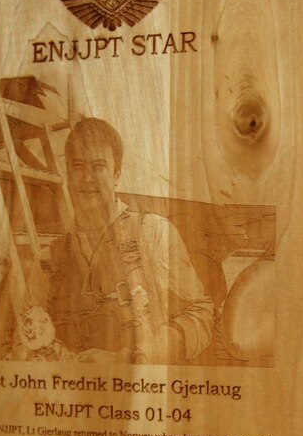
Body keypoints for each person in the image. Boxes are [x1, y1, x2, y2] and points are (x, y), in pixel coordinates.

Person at [44, 117, 214, 363]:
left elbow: (201, 314)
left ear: (117, 174)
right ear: (68, 174)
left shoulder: (153, 234)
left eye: (98, 166)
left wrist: (140, 357)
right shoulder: (52, 257)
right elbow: (28, 329)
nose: (87, 178)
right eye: (78, 166)